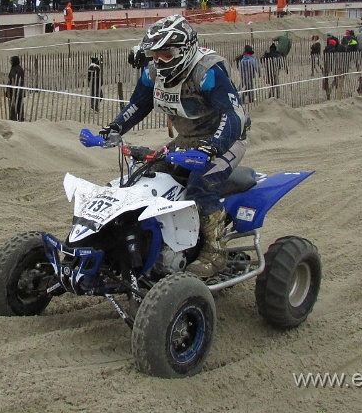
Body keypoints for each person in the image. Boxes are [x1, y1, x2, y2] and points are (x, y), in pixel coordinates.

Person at [98, 15, 250, 277]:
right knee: (150, 174)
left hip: (227, 139)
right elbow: (139, 104)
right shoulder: (153, 72)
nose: (158, 61)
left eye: (165, 54)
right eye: (154, 54)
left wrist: (212, 148)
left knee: (200, 184)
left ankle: (215, 251)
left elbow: (234, 115)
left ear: (185, 49)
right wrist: (115, 127)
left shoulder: (207, 72)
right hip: (187, 139)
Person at [6, 55, 25, 121]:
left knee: (16, 105)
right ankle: (20, 118)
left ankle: (16, 118)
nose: (10, 62)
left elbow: (12, 79)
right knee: (19, 105)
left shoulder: (15, 69)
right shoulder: (18, 68)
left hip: (15, 90)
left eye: (11, 61)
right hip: (18, 90)